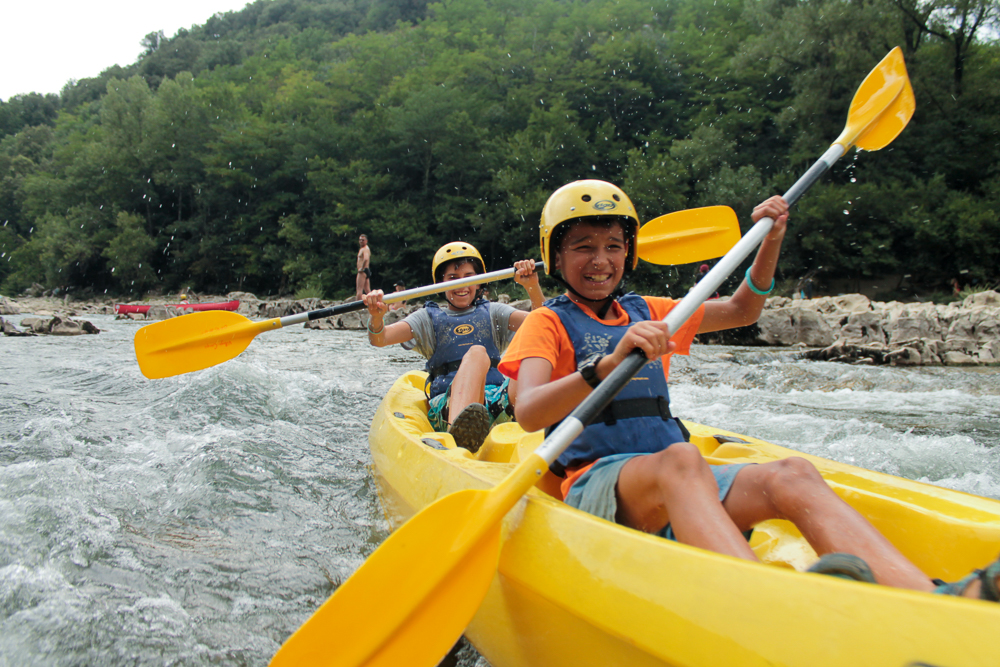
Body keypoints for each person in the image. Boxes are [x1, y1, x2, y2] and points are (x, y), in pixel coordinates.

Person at [499, 179, 999, 601]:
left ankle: (929, 598)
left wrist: (771, 240)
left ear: (628, 252)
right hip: (598, 486)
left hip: (680, 482)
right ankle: (764, 602)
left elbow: (744, 311)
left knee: (793, 475)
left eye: (612, 245)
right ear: (556, 257)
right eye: (583, 246)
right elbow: (528, 411)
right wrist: (605, 365)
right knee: (683, 459)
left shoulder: (654, 311)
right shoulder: (545, 322)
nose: (600, 259)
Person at [363, 242, 545, 453]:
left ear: (479, 283)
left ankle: (539, 429)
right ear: (440, 283)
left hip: (498, 402)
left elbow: (543, 326)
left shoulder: (494, 312)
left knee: (532, 352)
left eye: (469, 276)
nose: (462, 284)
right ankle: (459, 435)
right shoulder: (427, 319)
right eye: (452, 278)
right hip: (449, 408)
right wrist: (376, 318)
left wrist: (532, 286)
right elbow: (380, 338)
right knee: (477, 354)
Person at [355, 234, 372, 301]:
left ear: (366, 241)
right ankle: (373, 304)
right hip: (366, 270)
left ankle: (357, 307)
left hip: (363, 271)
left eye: (363, 240)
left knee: (359, 289)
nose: (361, 241)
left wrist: (361, 268)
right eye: (360, 240)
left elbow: (366, 258)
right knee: (367, 290)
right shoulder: (363, 249)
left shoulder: (365, 249)